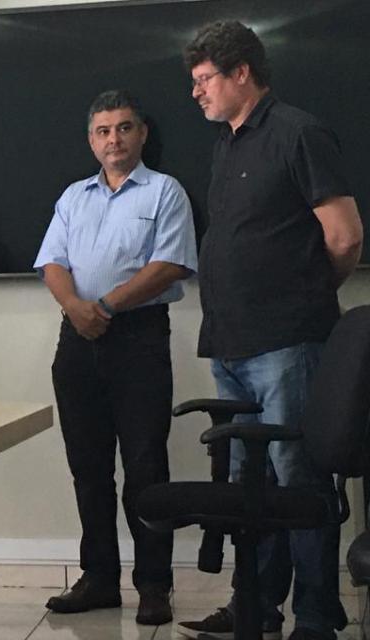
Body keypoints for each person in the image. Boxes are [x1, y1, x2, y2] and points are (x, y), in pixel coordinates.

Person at [176, 21, 362, 640]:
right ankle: (255, 606)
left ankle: (315, 616)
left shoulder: (297, 132)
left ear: (242, 73)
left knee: (298, 478)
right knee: (251, 488)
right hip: (230, 344)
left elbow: (345, 236)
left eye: (205, 79)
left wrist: (305, 295)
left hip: (288, 342)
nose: (196, 92)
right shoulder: (226, 144)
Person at [34, 90, 198, 626]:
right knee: (88, 468)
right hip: (76, 339)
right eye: (103, 131)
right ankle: (99, 579)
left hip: (138, 339)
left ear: (142, 134)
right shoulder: (73, 197)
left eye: (124, 128)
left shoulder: (165, 192)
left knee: (146, 466)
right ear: (91, 140)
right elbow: (53, 262)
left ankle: (153, 584)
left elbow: (170, 264)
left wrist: (103, 306)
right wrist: (76, 308)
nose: (114, 139)